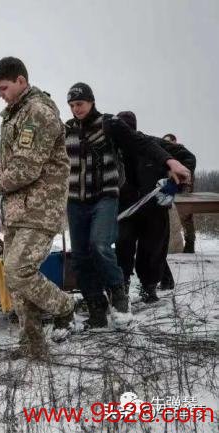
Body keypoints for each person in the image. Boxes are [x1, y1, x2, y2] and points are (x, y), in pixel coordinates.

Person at [65, 83, 191, 328]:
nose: (75, 109)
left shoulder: (109, 124)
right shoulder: (66, 129)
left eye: (79, 104)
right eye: (71, 106)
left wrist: (170, 162)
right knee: (80, 257)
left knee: (100, 245)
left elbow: (141, 142)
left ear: (91, 101)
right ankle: (96, 309)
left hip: (105, 197)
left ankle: (119, 295)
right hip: (75, 201)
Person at [0, 57, 75, 358]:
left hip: (39, 208)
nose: (0, 94)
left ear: (21, 81)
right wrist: (0, 165)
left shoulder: (37, 112)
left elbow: (26, 168)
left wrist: (0, 182)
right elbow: (19, 156)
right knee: (15, 281)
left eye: (3, 87)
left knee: (17, 272)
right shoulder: (17, 113)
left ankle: (65, 306)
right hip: (19, 209)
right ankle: (32, 345)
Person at [115, 111, 196, 303]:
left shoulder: (154, 144)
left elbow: (188, 157)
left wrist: (174, 183)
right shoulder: (113, 148)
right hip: (125, 208)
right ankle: (121, 288)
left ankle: (149, 288)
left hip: (154, 208)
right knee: (122, 247)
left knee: (152, 250)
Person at [164, 133, 196, 254]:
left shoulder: (182, 153)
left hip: (184, 188)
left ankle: (190, 243)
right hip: (169, 189)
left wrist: (186, 190)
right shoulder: (165, 153)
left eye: (169, 142)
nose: (167, 144)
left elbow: (189, 173)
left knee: (186, 217)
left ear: (175, 142)